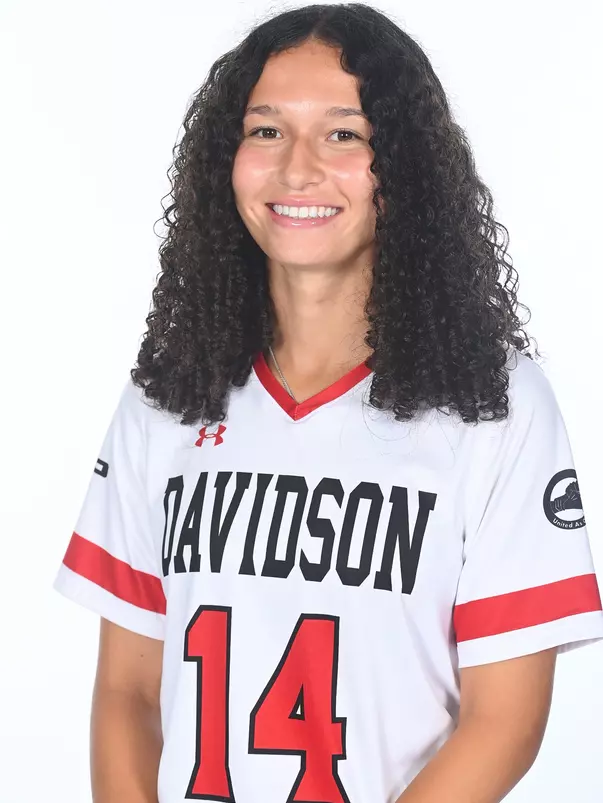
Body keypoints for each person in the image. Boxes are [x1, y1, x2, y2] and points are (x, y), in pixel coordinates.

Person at [53, 4, 603, 803]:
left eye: (343, 133)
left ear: (402, 165)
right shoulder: (170, 391)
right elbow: (127, 693)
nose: (296, 168)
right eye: (266, 130)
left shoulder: (492, 403)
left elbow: (504, 721)